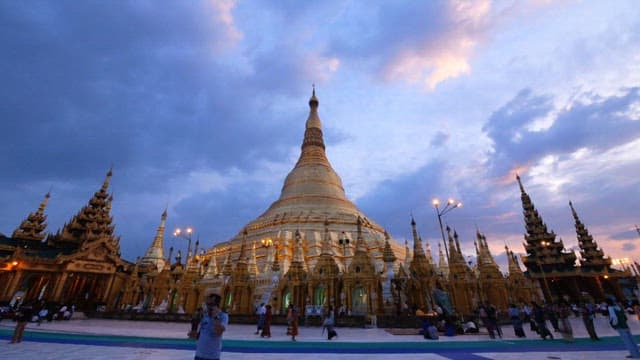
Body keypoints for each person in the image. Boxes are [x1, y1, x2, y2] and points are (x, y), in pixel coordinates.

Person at [195, 293, 228, 360]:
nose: (207, 306)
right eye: (207, 304)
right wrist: (194, 334)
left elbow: (219, 332)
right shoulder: (204, 315)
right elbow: (200, 334)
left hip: (212, 356)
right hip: (199, 354)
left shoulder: (223, 316)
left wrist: (215, 317)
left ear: (216, 305)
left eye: (210, 304)